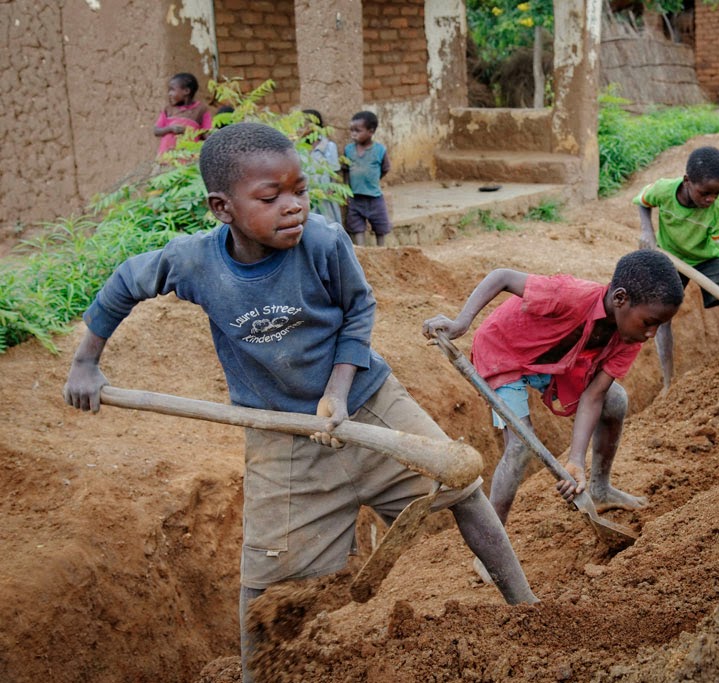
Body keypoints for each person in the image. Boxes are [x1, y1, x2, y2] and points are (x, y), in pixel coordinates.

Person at [62, 122, 537, 682]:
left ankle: (528, 612)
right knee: (268, 583)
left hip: (369, 402)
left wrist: (336, 391)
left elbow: (358, 311)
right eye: (271, 197)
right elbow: (124, 282)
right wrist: (85, 362)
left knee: (464, 489)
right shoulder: (195, 263)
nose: (293, 207)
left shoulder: (323, 241)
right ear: (223, 208)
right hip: (283, 439)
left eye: (300, 191)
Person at [422, 251, 682, 536]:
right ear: (620, 299)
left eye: (659, 325)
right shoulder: (569, 294)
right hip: (503, 353)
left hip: (555, 360)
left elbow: (595, 395)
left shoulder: (629, 337)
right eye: (649, 322)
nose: (652, 333)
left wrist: (576, 461)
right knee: (520, 446)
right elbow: (502, 276)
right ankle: (492, 542)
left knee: (615, 400)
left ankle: (600, 489)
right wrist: (461, 323)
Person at [634, 145, 719, 392]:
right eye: (705, 193)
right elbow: (642, 202)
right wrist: (647, 231)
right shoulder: (664, 190)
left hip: (707, 258)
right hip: (671, 257)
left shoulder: (718, 209)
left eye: (717, 192)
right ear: (687, 182)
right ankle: (668, 382)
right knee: (660, 314)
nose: (711, 199)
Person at [342, 111, 392, 247]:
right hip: (355, 198)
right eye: (351, 130)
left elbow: (385, 168)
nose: (353, 134)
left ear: (371, 131)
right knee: (356, 226)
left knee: (380, 225)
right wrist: (346, 189)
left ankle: (382, 250)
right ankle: (361, 252)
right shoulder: (349, 150)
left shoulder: (380, 150)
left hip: (374, 197)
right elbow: (345, 170)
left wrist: (374, 178)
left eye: (357, 131)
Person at [301, 109, 344, 228]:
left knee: (329, 223)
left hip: (325, 193)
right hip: (306, 194)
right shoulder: (299, 148)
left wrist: (331, 187)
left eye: (305, 124)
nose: (302, 128)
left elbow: (334, 170)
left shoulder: (328, 147)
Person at [153, 72, 212, 156]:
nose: (169, 93)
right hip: (166, 157)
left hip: (188, 157)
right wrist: (170, 129)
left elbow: (207, 133)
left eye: (172, 89)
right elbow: (156, 130)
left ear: (186, 91)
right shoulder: (168, 109)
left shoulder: (201, 110)